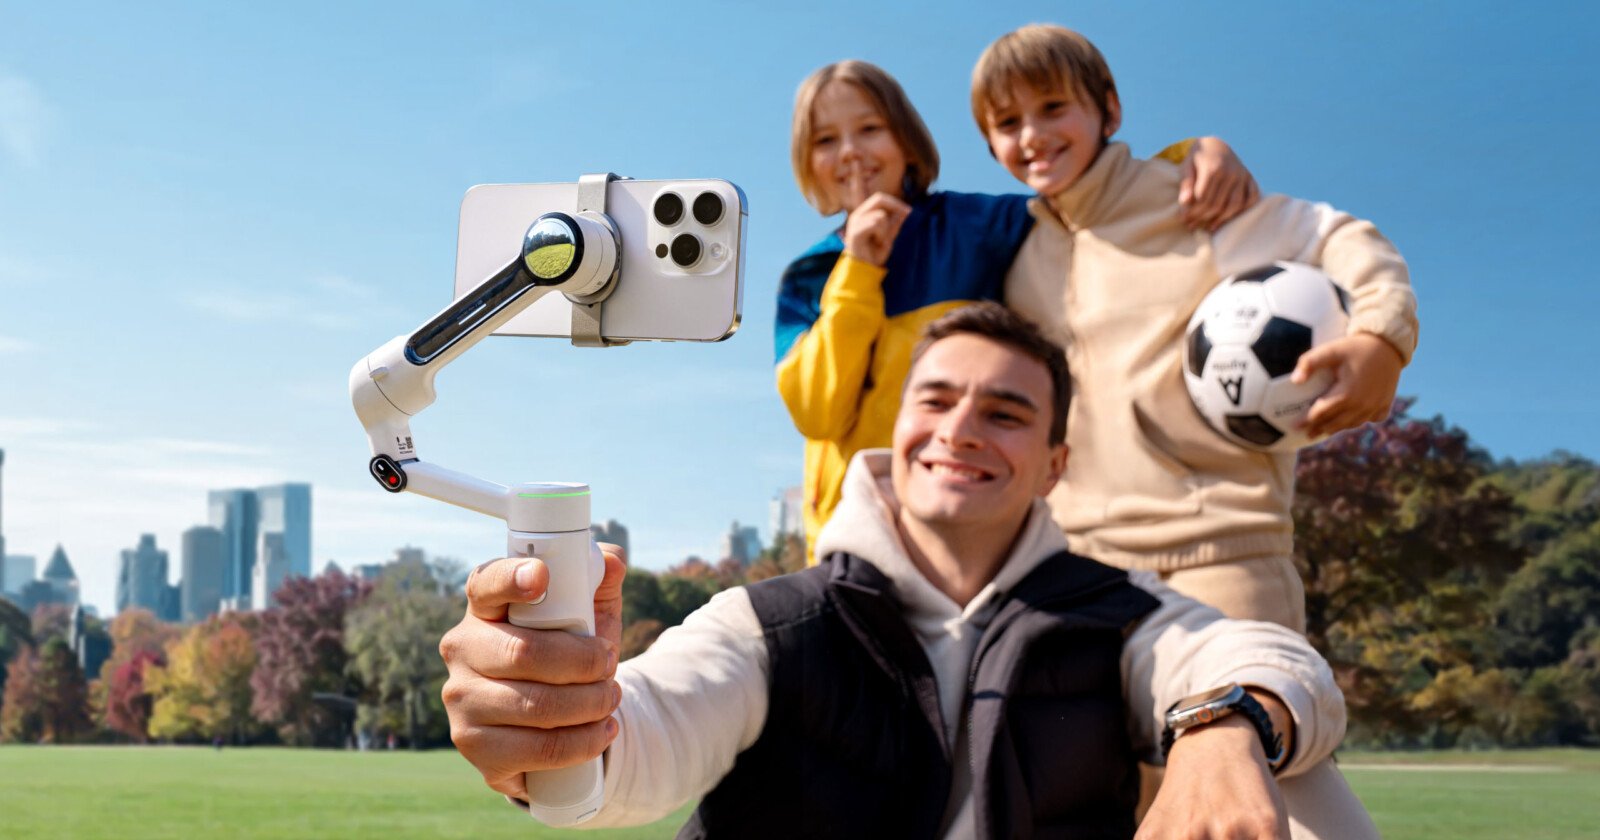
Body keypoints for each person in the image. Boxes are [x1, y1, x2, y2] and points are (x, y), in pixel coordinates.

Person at [440, 304, 1375, 839]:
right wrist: (555, 717)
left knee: (1294, 773)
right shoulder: (777, 621)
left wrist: (1221, 725)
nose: (962, 426)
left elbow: (1251, 653)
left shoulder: (1113, 612)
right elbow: (651, 724)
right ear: (900, 432)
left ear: (1055, 464)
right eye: (937, 399)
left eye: (1006, 412)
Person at [972, 24, 1419, 633]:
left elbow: (1338, 237)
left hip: (1224, 556)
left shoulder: (1194, 201)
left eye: (1054, 108)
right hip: (1075, 566)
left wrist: (1381, 338)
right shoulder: (1020, 259)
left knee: (1237, 725)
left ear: (1109, 109)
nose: (1033, 135)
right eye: (1007, 123)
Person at [775, 59, 1261, 557]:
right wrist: (859, 270)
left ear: (905, 139)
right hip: (856, 538)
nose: (851, 152)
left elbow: (1092, 201)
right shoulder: (810, 274)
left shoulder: (978, 227)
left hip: (969, 531)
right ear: (806, 160)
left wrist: (1196, 154)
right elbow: (818, 413)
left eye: (870, 129)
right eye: (825, 140)